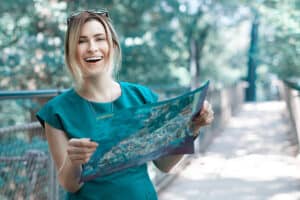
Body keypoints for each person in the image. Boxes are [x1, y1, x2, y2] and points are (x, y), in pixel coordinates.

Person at [36, 9, 214, 200]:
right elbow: (69, 185)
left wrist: (192, 128)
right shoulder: (56, 112)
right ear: (71, 50)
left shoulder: (142, 97)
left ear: (112, 45)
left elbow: (164, 164)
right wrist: (74, 160)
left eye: (99, 38)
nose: (92, 47)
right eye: (81, 41)